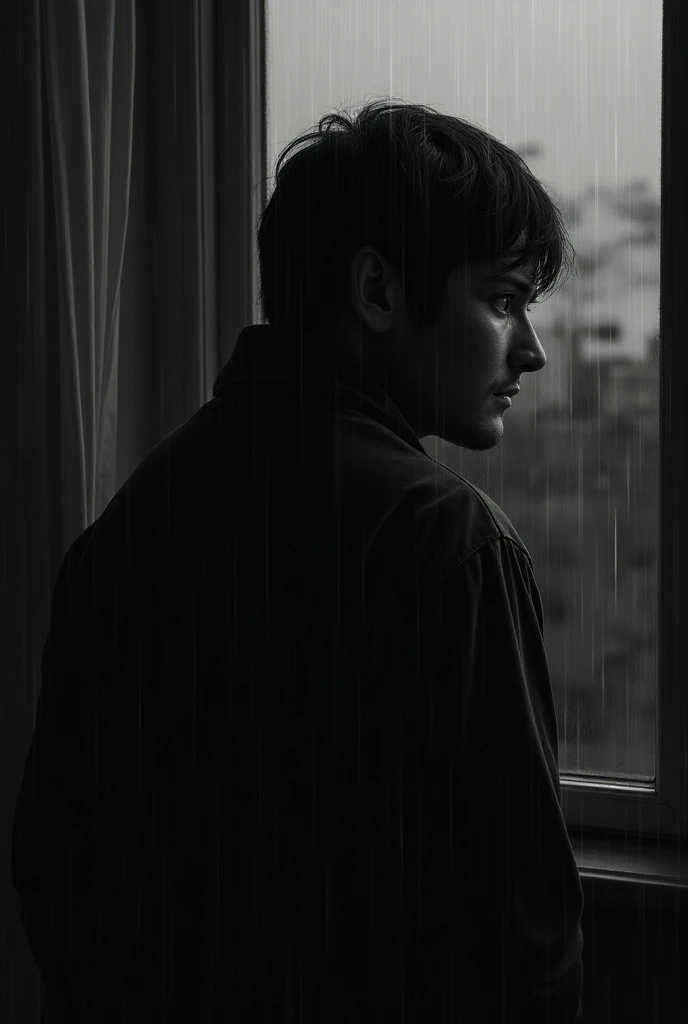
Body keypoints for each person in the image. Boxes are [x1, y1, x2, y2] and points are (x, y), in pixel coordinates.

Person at [12, 99, 584, 1023]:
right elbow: (521, 938)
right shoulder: (446, 540)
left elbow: (57, 871)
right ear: (378, 291)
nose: (534, 349)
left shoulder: (128, 522)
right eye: (505, 298)